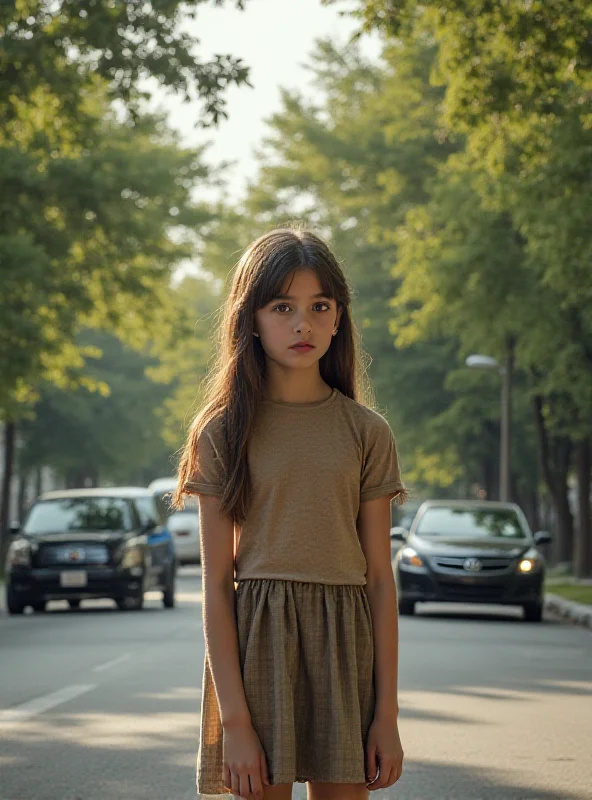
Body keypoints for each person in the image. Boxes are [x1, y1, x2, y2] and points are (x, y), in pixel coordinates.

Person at [174, 227, 408, 800]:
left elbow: (380, 580)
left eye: (318, 306)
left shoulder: (366, 432)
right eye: (283, 307)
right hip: (259, 649)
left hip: (344, 649)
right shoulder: (223, 430)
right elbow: (215, 584)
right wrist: (234, 722)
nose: (302, 324)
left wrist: (387, 715)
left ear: (337, 319)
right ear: (251, 318)